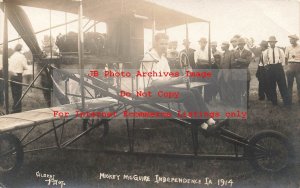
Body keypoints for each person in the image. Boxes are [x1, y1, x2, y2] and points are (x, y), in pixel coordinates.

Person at [139, 33, 227, 134]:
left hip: (161, 88)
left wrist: (181, 77)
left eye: (166, 44)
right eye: (161, 44)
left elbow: (167, 78)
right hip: (150, 91)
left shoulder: (163, 58)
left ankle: (209, 120)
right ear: (155, 43)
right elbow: (156, 82)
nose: (164, 46)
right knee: (188, 95)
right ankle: (202, 125)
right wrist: (178, 80)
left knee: (194, 90)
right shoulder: (149, 57)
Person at [263, 36, 290, 106]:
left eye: (273, 42)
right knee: (271, 85)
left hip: (278, 67)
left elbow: (283, 59)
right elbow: (264, 60)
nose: (272, 43)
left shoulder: (279, 50)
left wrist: (282, 66)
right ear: (269, 43)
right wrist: (267, 66)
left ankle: (286, 102)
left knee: (282, 85)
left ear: (275, 42)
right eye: (270, 42)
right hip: (270, 68)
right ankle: (274, 102)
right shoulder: (266, 51)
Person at [231, 38, 252, 108]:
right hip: (237, 74)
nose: (240, 45)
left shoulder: (248, 52)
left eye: (242, 44)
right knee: (237, 89)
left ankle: (245, 104)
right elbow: (232, 63)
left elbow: (248, 62)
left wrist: (238, 60)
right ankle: (237, 104)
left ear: (244, 44)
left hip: (245, 74)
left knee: (245, 89)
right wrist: (242, 61)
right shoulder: (234, 52)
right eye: (239, 44)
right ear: (238, 44)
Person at [8, 44, 29, 113]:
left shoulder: (12, 56)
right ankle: (17, 110)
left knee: (14, 93)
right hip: (18, 76)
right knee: (18, 94)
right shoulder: (21, 56)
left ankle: (15, 108)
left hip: (12, 76)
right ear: (21, 49)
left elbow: (9, 68)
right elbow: (26, 67)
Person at [285, 34, 300, 105]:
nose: (290, 40)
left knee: (299, 84)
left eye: (292, 39)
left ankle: (299, 99)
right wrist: (287, 67)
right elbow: (286, 58)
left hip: (298, 66)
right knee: (289, 84)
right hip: (290, 66)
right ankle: (289, 101)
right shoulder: (287, 48)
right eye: (290, 39)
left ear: (295, 40)